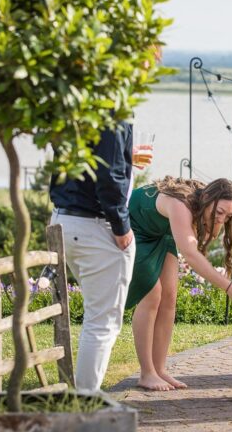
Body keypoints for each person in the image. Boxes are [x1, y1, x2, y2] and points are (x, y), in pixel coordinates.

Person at [125, 176, 232, 391]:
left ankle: (159, 369)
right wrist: (229, 286)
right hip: (134, 227)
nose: (222, 219)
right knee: (152, 294)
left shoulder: (206, 204)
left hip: (161, 232)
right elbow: (190, 254)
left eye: (228, 215)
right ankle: (146, 372)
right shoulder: (180, 205)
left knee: (169, 297)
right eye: (220, 212)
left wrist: (215, 222)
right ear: (207, 198)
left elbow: (204, 238)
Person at [49, 120, 136, 392]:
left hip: (64, 219)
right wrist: (121, 226)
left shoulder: (78, 105)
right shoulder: (112, 110)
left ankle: (85, 396)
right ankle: (86, 402)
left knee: (95, 319)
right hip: (96, 226)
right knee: (102, 323)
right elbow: (109, 175)